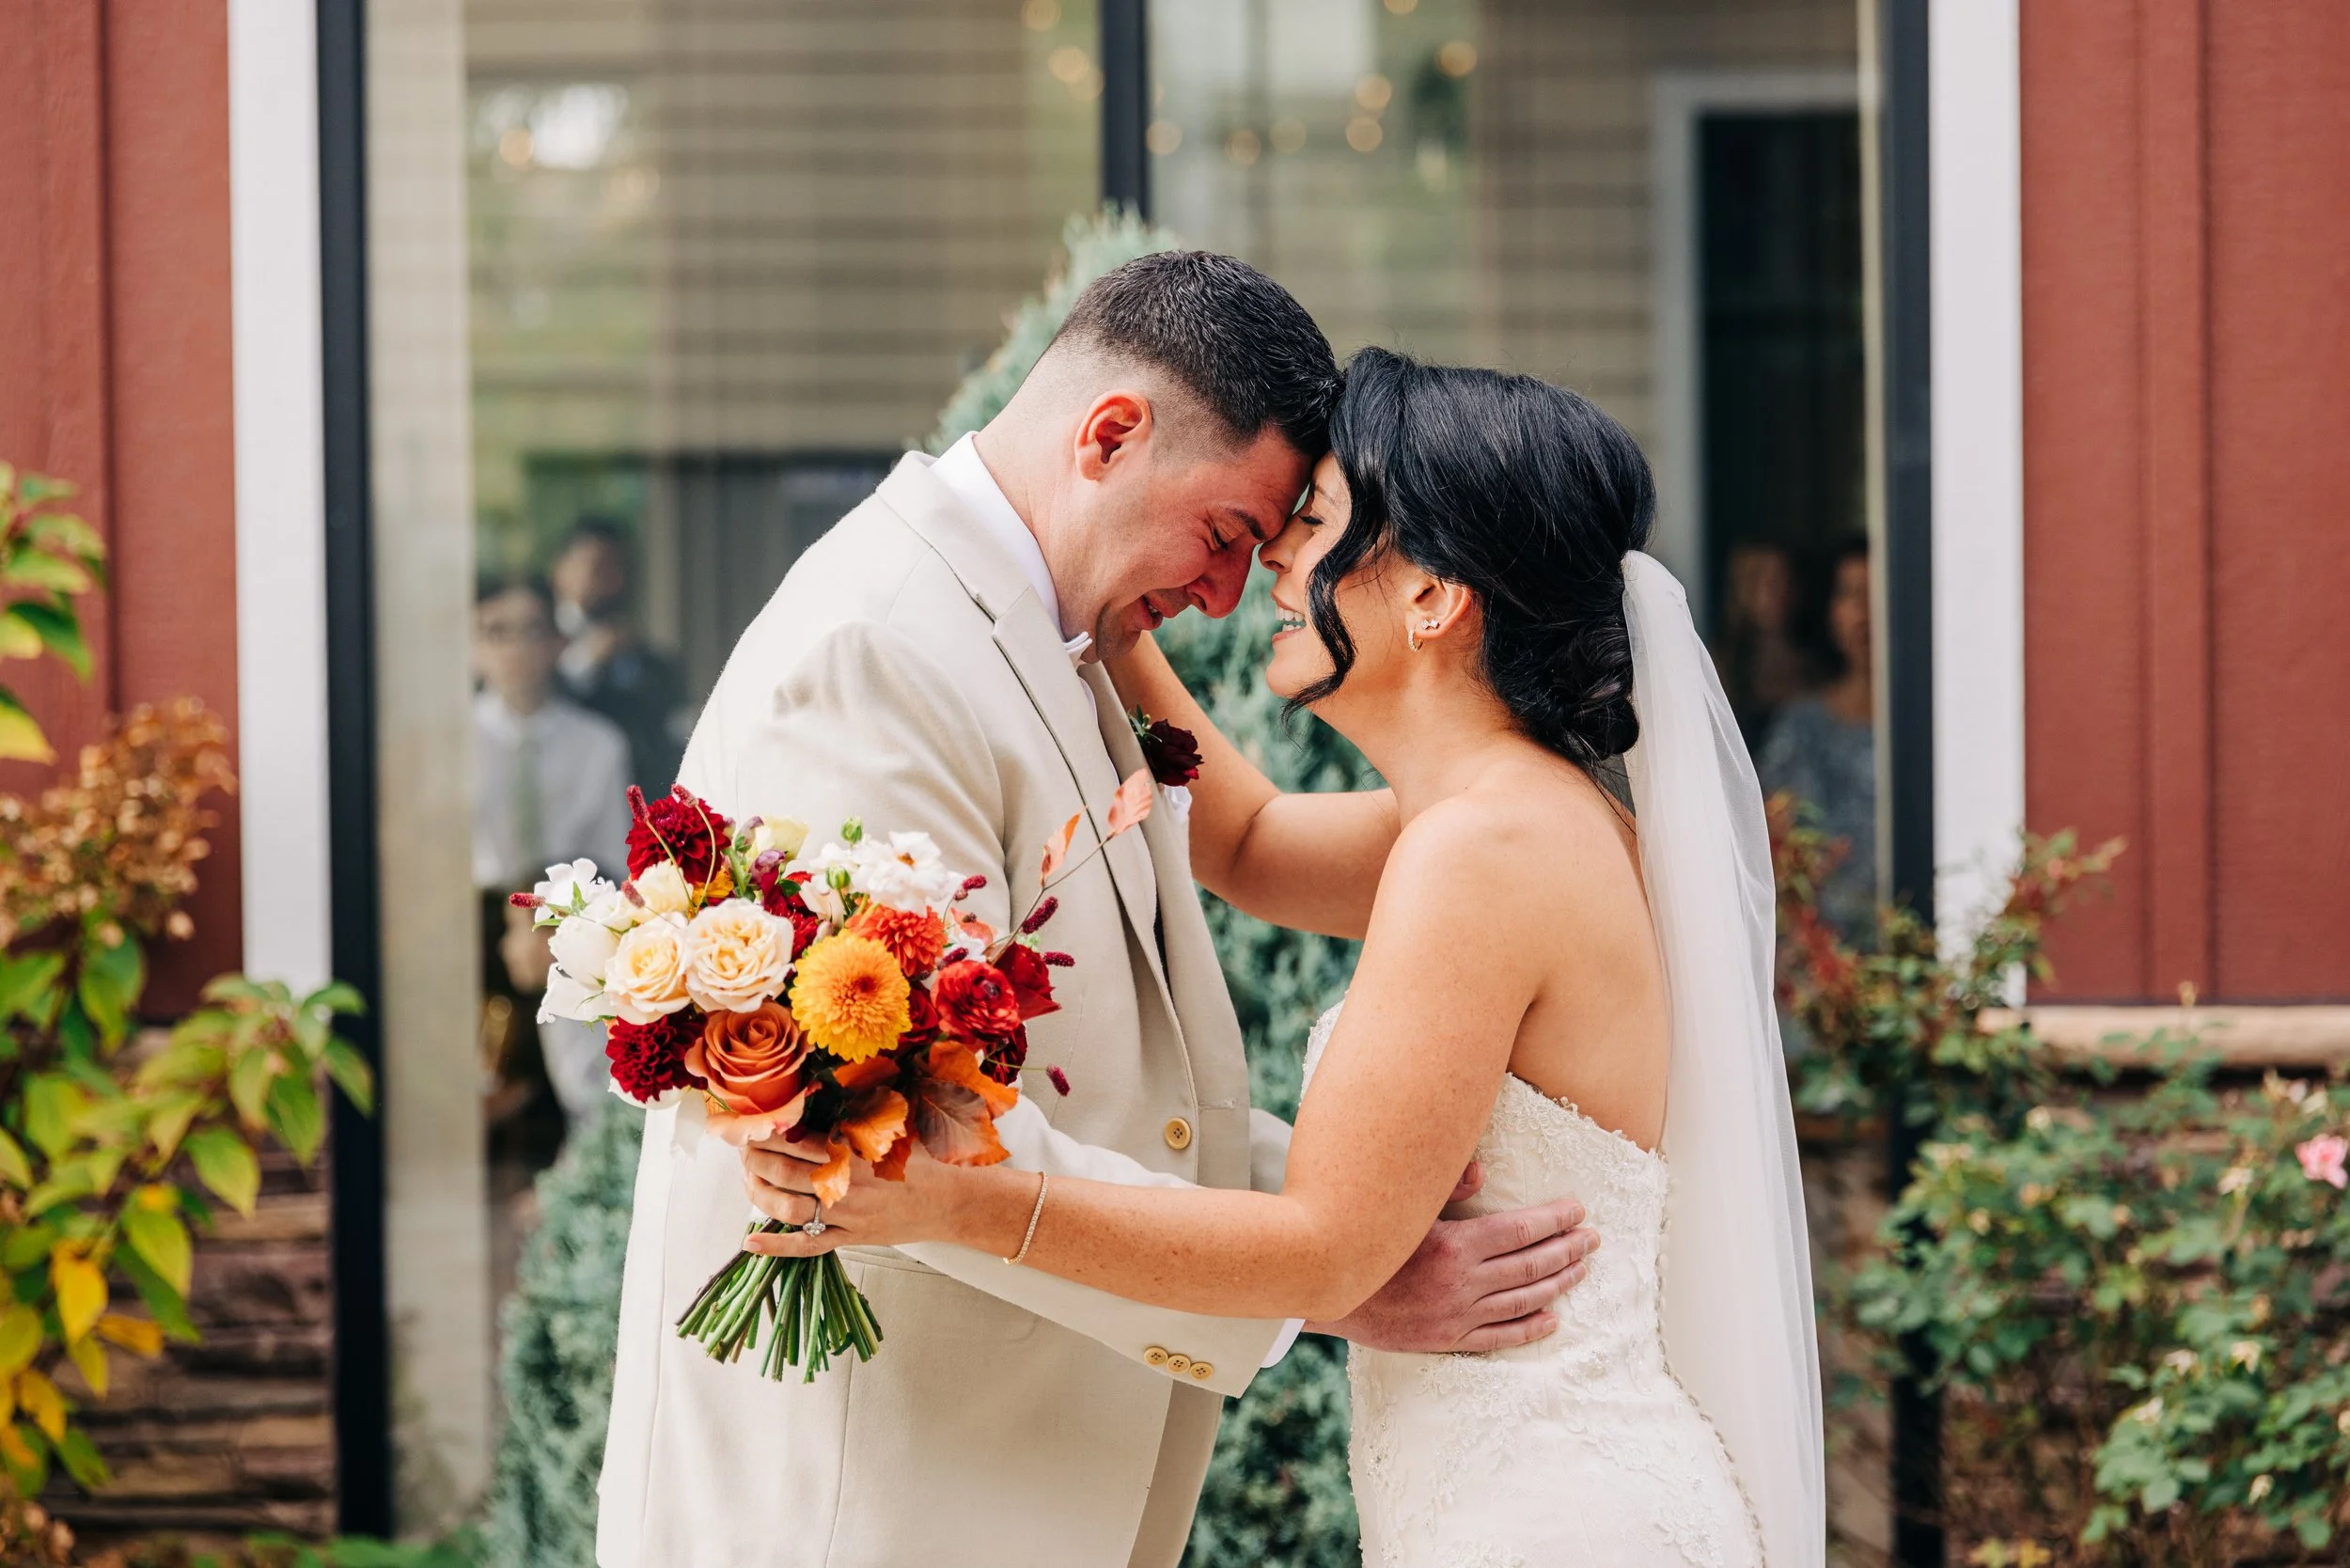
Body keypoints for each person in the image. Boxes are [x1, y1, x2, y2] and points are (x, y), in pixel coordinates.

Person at [595, 258, 1601, 1568]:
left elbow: (1163, 961)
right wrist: (1320, 1267)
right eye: (1231, 535)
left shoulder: (1067, 626)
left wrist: (1336, 1224)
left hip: (1002, 1476)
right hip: (870, 1498)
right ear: (1110, 435)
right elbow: (904, 1130)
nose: (1233, 597)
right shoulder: (879, 659)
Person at [744, 351, 1826, 1567]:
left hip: (1547, 1515)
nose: (1271, 561)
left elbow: (1323, 1250)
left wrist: (958, 1200)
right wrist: (1094, 596)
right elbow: (1248, 842)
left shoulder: (1488, 849)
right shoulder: (1517, 815)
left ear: (1434, 593)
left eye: (1311, 524)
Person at [474, 577, 633, 1124]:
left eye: (531, 631)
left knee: (573, 1096)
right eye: (497, 632)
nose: (515, 649)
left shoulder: (600, 744)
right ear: (474, 647)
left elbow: (615, 864)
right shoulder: (450, 742)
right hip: (477, 933)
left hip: (569, 930)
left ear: (557, 643)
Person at [1758, 536, 1876, 943]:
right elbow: (1775, 849)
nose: (1865, 614)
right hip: (1819, 961)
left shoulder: (1929, 730)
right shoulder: (1801, 728)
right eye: (1850, 595)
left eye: (1876, 594)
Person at [551, 519, 688, 792]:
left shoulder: (648, 658)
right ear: (560, 569)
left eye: (618, 568)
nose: (609, 581)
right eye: (595, 566)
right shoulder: (544, 642)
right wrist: (587, 661)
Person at [1714, 539, 1817, 749]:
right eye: (1755, 579)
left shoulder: (1820, 663)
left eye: (1779, 579)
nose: (1768, 593)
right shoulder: (1720, 665)